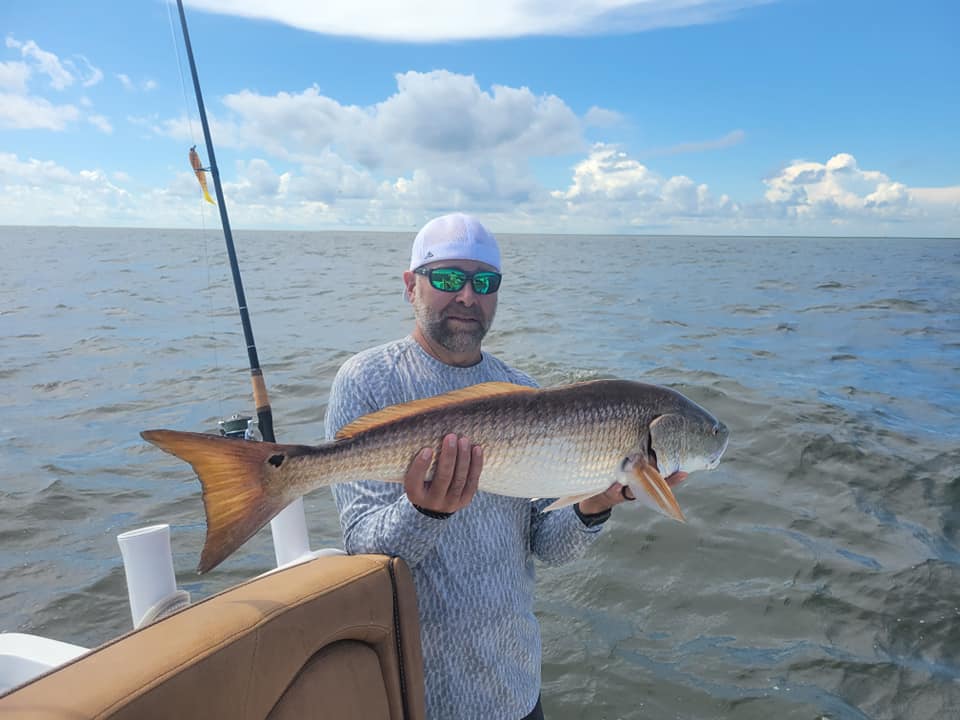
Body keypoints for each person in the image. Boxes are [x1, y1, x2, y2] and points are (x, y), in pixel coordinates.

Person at [324, 213, 634, 720]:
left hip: (516, 688)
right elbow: (365, 549)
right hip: (422, 698)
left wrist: (597, 501)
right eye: (447, 278)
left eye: (484, 282)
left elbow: (546, 545)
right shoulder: (367, 381)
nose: (468, 296)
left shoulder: (523, 390)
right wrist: (425, 512)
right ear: (410, 285)